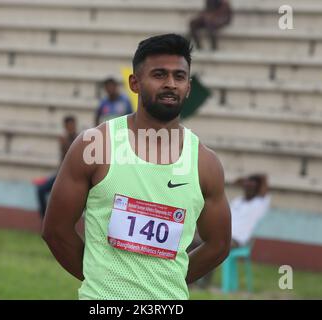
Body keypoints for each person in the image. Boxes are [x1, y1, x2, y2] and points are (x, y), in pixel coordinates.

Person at [42, 33, 231, 300]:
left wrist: (168, 281)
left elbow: (219, 244)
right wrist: (101, 280)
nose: (170, 84)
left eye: (179, 76)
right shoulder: (95, 146)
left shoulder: (205, 163)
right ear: (135, 83)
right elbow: (56, 231)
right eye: (159, 75)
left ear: (188, 87)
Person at [189, 173, 270, 289]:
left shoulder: (260, 203)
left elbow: (264, 179)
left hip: (236, 240)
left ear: (257, 188)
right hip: (223, 235)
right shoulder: (238, 201)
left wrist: (248, 178)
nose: (248, 188)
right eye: (247, 185)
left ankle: (202, 283)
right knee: (191, 240)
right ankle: (188, 279)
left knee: (212, 246)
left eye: (252, 186)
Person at [36, 115, 78, 218]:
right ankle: (45, 218)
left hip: (74, 177)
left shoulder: (79, 139)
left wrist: (65, 144)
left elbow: (73, 155)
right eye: (68, 125)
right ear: (65, 126)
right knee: (41, 190)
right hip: (62, 175)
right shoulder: (64, 139)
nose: (70, 127)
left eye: (72, 125)